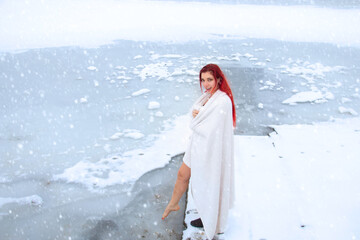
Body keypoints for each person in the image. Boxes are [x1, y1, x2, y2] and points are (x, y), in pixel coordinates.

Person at [162, 63, 236, 239]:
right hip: (196, 145)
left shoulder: (223, 100)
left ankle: (209, 218)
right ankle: (173, 204)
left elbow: (210, 128)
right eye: (203, 80)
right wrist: (199, 114)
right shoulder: (207, 97)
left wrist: (198, 116)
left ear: (218, 79)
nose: (206, 83)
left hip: (210, 150)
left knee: (210, 185)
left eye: (209, 79)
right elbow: (201, 118)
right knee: (182, 174)